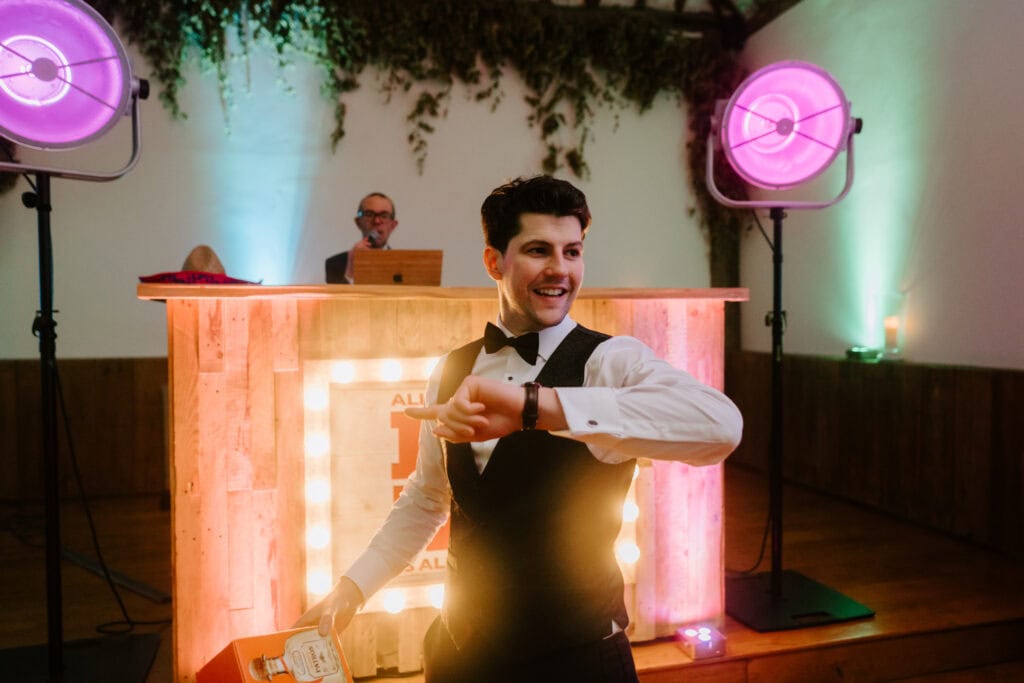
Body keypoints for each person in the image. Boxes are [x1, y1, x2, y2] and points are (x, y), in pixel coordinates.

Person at [298, 175, 743, 682]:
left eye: (572, 251)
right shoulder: (451, 368)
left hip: (577, 661)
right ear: (495, 262)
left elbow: (721, 427)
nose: (560, 270)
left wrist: (535, 407)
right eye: (538, 250)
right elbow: (425, 499)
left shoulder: (610, 361)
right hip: (459, 653)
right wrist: (353, 587)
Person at [325, 192, 399, 283]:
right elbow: (336, 296)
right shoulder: (335, 264)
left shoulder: (403, 265)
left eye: (384, 216)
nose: (377, 221)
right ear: (358, 222)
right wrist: (350, 272)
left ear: (393, 225)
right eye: (369, 215)